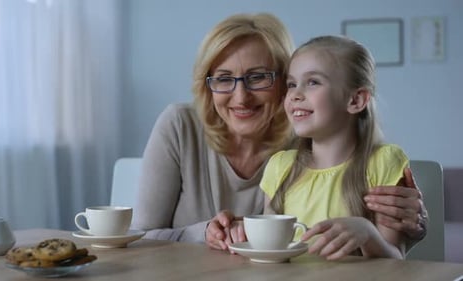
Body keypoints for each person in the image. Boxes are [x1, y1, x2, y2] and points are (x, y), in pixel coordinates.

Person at [132, 13, 427, 248]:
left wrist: (411, 225)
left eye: (257, 77)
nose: (241, 97)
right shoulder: (179, 125)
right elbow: (139, 237)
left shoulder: (311, 138)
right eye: (223, 79)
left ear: (282, 81)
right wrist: (204, 232)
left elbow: (377, 242)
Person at [261, 35, 409, 260]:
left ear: (355, 101)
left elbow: (396, 262)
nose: (295, 95)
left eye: (313, 82)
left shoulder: (384, 162)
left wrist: (368, 233)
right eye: (292, 84)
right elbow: (270, 253)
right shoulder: (279, 166)